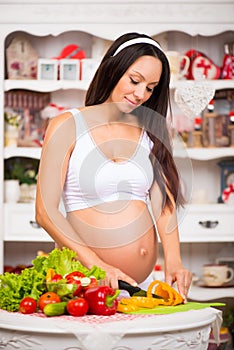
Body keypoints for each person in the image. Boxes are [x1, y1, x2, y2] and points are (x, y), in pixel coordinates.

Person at [36, 32, 192, 302]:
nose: (141, 94)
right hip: (86, 283)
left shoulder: (151, 132)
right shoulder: (67, 125)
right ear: (113, 68)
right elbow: (45, 212)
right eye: (135, 80)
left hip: (141, 285)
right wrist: (98, 264)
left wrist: (175, 261)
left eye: (151, 88)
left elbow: (163, 202)